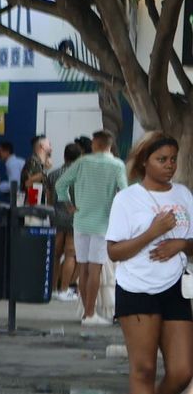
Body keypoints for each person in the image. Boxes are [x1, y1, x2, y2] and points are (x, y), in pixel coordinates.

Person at [105, 133, 193, 394]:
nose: (169, 166)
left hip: (174, 288)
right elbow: (114, 251)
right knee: (143, 369)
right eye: (162, 160)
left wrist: (181, 245)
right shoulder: (128, 200)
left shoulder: (184, 195)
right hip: (137, 288)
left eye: (173, 159)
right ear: (144, 162)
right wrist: (153, 232)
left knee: (183, 370)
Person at [57, 130, 127, 326]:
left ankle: (86, 313)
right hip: (103, 223)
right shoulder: (117, 165)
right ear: (110, 145)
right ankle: (90, 314)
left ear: (95, 144)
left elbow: (60, 184)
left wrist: (69, 204)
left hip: (80, 221)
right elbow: (124, 191)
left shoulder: (81, 163)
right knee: (96, 267)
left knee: (84, 267)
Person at [50, 141, 84, 300]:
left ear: (64, 156)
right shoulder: (81, 176)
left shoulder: (53, 174)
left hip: (56, 216)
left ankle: (52, 289)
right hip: (74, 218)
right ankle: (64, 290)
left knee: (55, 255)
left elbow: (49, 199)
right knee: (70, 255)